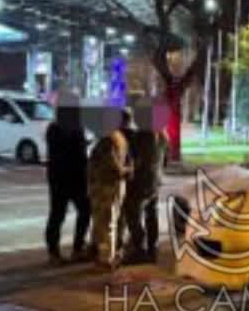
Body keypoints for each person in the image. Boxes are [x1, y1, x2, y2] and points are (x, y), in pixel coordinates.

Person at [44, 90, 90, 264]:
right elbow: (67, 154)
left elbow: (78, 152)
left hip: (73, 178)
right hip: (63, 178)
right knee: (58, 214)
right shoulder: (56, 129)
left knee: (84, 210)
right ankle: (54, 252)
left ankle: (77, 247)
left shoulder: (75, 128)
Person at [87, 113, 132, 269]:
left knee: (106, 223)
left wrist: (122, 171)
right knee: (109, 221)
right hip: (114, 185)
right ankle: (103, 252)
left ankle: (106, 257)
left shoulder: (108, 139)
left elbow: (112, 166)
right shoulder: (119, 137)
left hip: (106, 186)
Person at [122, 127, 170, 264]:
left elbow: (135, 159)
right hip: (155, 180)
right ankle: (152, 248)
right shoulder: (163, 134)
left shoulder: (142, 135)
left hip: (141, 181)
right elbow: (166, 159)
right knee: (151, 213)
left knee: (132, 213)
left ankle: (139, 248)